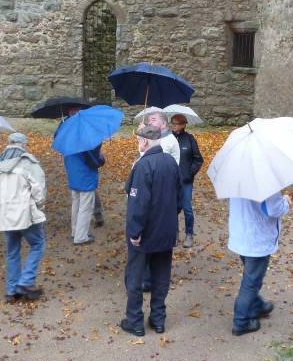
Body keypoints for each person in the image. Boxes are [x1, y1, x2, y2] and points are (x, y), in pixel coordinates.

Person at [120, 125, 182, 337]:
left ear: (145, 141)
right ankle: (158, 319)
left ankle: (134, 320)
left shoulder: (143, 165)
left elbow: (138, 203)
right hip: (166, 230)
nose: (138, 144)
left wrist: (135, 232)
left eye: (138, 140)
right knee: (161, 275)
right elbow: (180, 198)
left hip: (145, 234)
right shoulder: (171, 162)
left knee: (134, 277)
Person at [0, 132, 47, 303]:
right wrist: (38, 206)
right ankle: (26, 282)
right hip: (25, 213)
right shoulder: (28, 163)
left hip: (5, 215)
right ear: (23, 144)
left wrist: (0, 207)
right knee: (38, 244)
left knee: (12, 251)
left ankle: (11, 291)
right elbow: (39, 189)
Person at [228, 192, 291, 336]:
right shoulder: (267, 182)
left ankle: (257, 305)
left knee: (252, 277)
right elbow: (273, 209)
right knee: (251, 282)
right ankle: (241, 322)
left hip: (241, 233)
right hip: (256, 239)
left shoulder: (238, 179)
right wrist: (285, 201)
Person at [57, 108, 104, 228]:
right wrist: (100, 159)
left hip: (75, 168)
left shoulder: (70, 125)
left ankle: (78, 228)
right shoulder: (67, 125)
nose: (75, 112)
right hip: (80, 169)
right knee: (83, 202)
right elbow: (92, 155)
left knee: (80, 199)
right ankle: (80, 233)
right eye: (73, 111)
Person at [171, 114, 204, 247]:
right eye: (172, 123)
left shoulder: (190, 139)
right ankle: (174, 234)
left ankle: (189, 234)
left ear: (184, 125)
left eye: (176, 123)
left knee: (187, 208)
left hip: (186, 181)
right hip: (171, 181)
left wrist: (189, 174)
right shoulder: (168, 139)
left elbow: (198, 160)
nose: (174, 126)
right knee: (173, 208)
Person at [64, 142, 105, 246]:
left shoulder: (68, 139)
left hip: (73, 175)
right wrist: (101, 158)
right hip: (85, 177)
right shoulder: (86, 142)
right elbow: (95, 161)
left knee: (76, 204)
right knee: (85, 207)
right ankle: (81, 237)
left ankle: (75, 232)